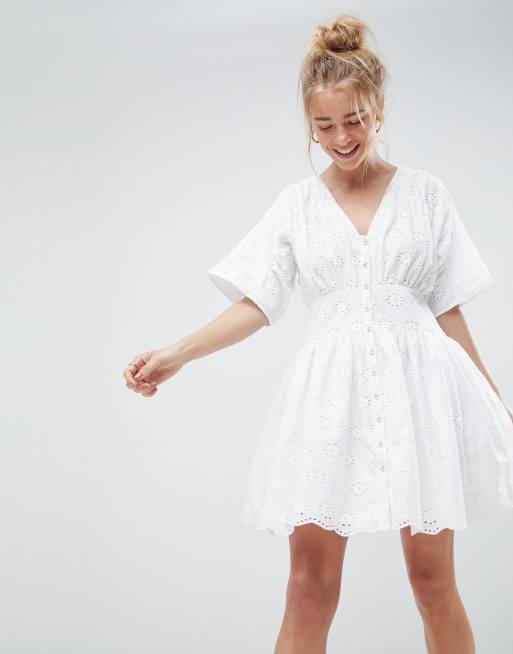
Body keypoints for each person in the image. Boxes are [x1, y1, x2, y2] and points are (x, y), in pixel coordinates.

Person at [123, 13, 513, 654]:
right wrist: (177, 354)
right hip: (328, 398)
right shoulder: (297, 206)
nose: (341, 137)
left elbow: (448, 308)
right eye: (324, 125)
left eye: (353, 120)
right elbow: (258, 302)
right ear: (309, 124)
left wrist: (494, 401)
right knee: (308, 585)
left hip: (421, 395)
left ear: (379, 109)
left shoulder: (426, 195)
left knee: (432, 581)